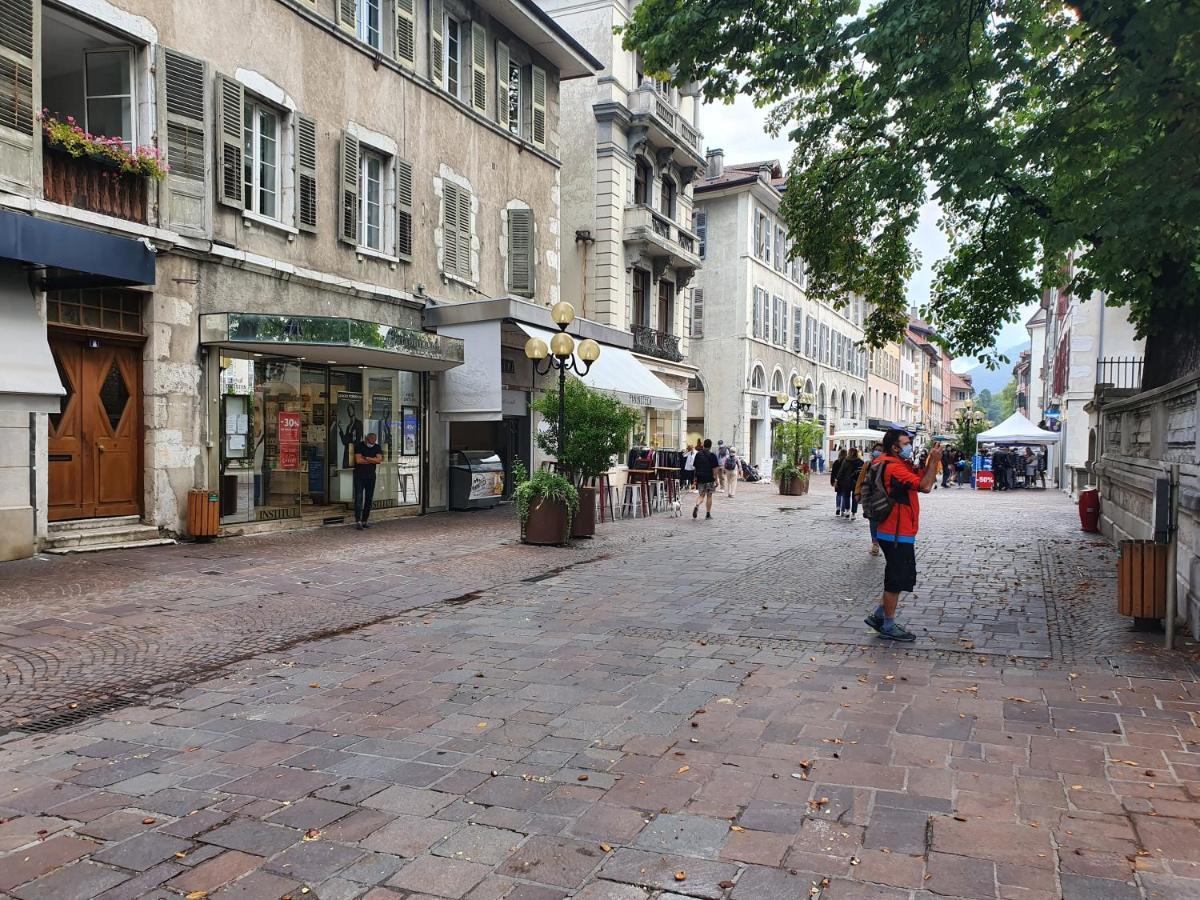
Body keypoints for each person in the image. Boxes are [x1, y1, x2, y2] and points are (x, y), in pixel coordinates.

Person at [863, 429, 942, 642]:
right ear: (895, 447)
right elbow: (925, 486)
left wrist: (927, 463)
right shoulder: (893, 467)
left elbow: (921, 480)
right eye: (906, 443)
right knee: (895, 580)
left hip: (897, 530)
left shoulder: (894, 463)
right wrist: (935, 461)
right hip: (896, 532)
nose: (909, 446)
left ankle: (879, 616)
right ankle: (887, 625)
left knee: (901, 577)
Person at [855, 443, 884, 555]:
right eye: (876, 450)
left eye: (880, 450)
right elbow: (860, 479)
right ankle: (875, 543)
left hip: (883, 497)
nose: (877, 452)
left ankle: (882, 541)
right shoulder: (867, 464)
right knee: (873, 520)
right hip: (870, 498)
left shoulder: (886, 464)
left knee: (882, 521)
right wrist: (858, 492)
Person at [352, 431, 384, 529]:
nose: (373, 442)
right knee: (359, 498)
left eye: (375, 440)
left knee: (369, 499)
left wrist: (366, 458)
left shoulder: (377, 447)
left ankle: (365, 520)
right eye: (371, 440)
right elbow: (358, 460)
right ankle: (358, 521)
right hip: (359, 476)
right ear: (367, 439)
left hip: (371, 476)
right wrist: (372, 460)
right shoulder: (359, 446)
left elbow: (379, 460)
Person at [691, 438, 720, 519]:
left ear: (703, 445)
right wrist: (716, 480)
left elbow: (695, 468)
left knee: (701, 495)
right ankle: (708, 514)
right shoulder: (712, 456)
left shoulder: (698, 454)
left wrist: (695, 480)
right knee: (709, 495)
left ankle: (697, 505)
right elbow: (715, 469)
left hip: (700, 478)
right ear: (710, 446)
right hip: (709, 478)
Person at [836, 448, 864, 519]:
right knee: (855, 498)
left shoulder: (846, 461)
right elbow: (863, 473)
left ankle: (847, 511)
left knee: (846, 496)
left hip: (846, 481)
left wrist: (838, 480)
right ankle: (853, 514)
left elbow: (841, 471)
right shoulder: (860, 462)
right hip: (856, 482)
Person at [830, 449, 848, 515]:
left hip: (837, 480)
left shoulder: (836, 462)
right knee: (844, 495)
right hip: (845, 481)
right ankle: (843, 510)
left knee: (838, 494)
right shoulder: (847, 462)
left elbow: (833, 473)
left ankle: (838, 508)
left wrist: (832, 481)